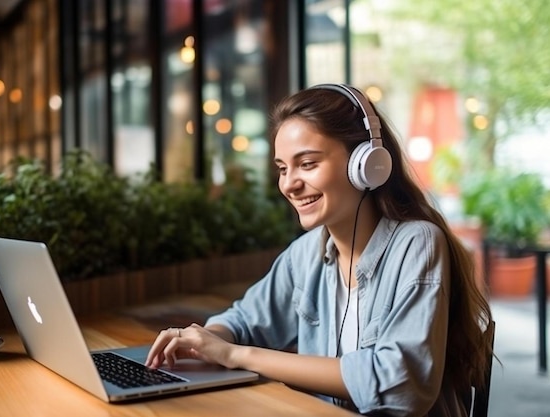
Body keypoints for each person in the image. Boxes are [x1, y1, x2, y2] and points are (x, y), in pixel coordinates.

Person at [145, 83, 494, 416]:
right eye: (283, 168)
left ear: (367, 164)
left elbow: (399, 386)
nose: (290, 184)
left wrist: (237, 355)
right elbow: (243, 320)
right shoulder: (306, 254)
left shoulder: (417, 243)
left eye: (308, 164)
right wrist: (206, 340)